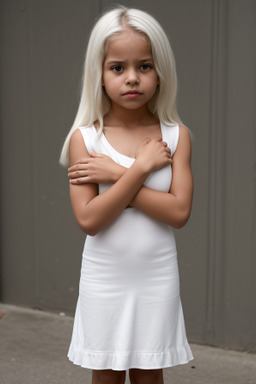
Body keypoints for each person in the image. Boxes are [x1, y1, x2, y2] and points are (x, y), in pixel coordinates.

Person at [60, 5, 194, 384]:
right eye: (118, 67)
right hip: (106, 276)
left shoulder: (175, 136)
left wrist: (118, 173)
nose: (132, 78)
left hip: (156, 275)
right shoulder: (85, 139)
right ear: (99, 75)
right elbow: (90, 220)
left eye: (144, 66)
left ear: (160, 71)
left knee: (150, 373)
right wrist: (138, 170)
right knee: (106, 374)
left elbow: (179, 212)